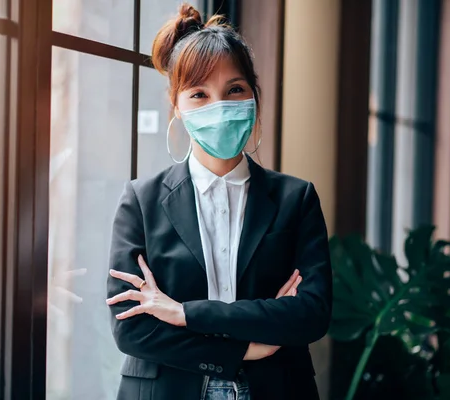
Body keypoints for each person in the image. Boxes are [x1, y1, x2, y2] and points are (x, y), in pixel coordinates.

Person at [106, 4, 332, 399]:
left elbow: (310, 316)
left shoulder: (296, 199)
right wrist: (245, 347)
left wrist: (184, 312)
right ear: (177, 105)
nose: (220, 107)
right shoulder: (141, 201)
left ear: (254, 96)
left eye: (234, 90)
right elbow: (133, 327)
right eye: (199, 94)